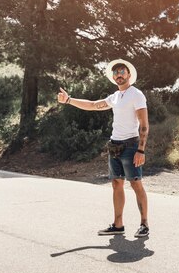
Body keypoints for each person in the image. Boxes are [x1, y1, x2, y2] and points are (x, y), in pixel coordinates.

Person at [57, 59, 150, 238]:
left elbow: (144, 124)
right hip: (114, 145)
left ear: (129, 75)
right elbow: (93, 105)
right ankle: (118, 224)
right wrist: (69, 100)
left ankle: (144, 224)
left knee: (136, 184)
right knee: (116, 184)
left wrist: (141, 149)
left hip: (131, 145)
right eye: (115, 72)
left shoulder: (136, 94)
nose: (118, 75)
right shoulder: (115, 97)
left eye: (122, 71)